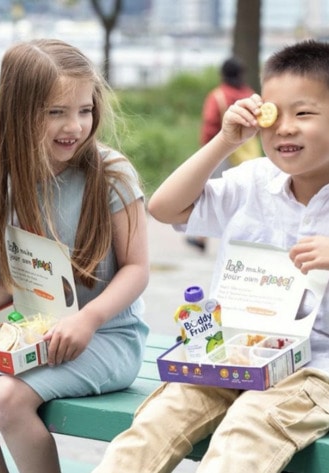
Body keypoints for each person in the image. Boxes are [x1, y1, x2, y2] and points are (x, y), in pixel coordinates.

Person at [92, 39, 329, 473]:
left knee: (245, 433)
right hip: (229, 353)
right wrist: (224, 141)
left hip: (312, 369)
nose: (285, 128)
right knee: (152, 426)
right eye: (274, 113)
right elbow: (165, 208)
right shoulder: (254, 181)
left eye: (305, 113)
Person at [0, 38, 149, 473]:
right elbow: (18, 279)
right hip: (39, 336)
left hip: (107, 336)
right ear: (20, 111)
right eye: (56, 112)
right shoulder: (2, 189)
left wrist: (86, 320)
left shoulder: (112, 174)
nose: (75, 126)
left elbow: (138, 270)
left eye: (84, 110)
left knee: (7, 397)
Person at [187, 57, 257, 252]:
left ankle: (201, 239)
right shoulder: (250, 94)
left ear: (223, 74)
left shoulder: (217, 96)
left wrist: (206, 151)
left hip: (222, 151)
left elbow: (210, 124)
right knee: (246, 195)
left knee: (209, 193)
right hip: (247, 150)